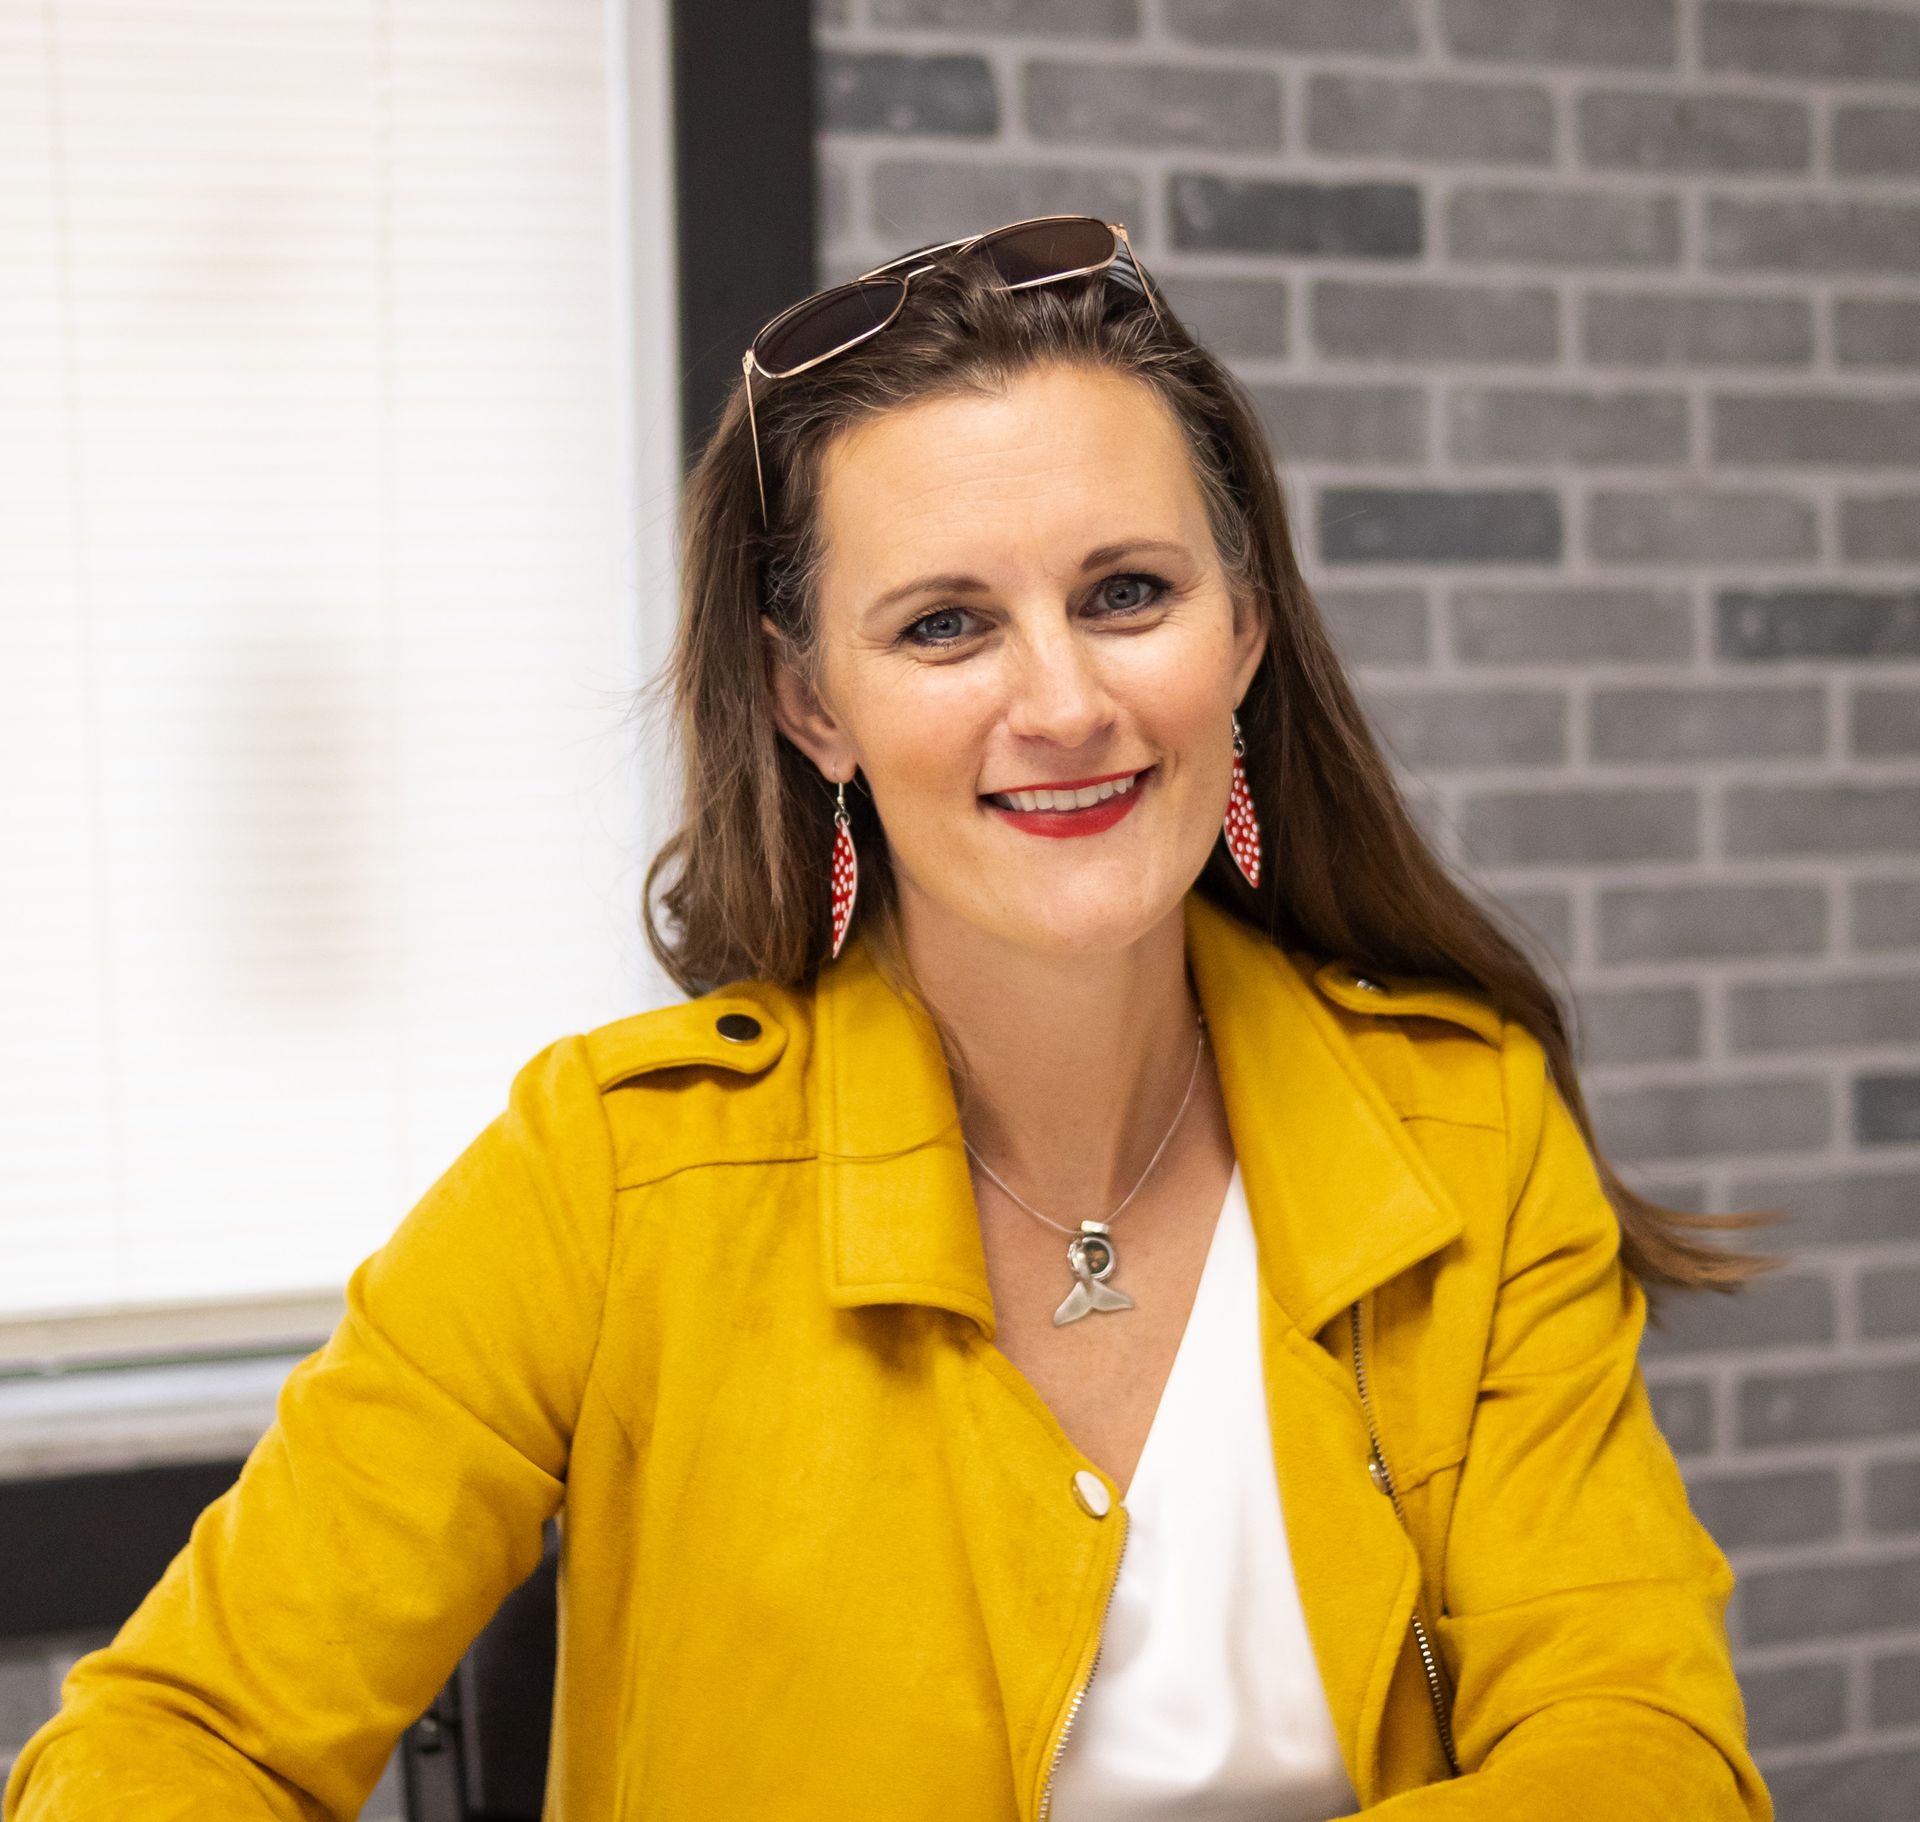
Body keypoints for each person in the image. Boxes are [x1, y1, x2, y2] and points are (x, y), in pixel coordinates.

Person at [5, 216, 1778, 1821]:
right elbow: (184, 1741)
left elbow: (1647, 1751)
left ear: (1241, 630)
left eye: (1127, 592)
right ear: (811, 701)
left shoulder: (1467, 1127)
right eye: (945, 625)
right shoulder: (610, 1174)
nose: (1064, 698)